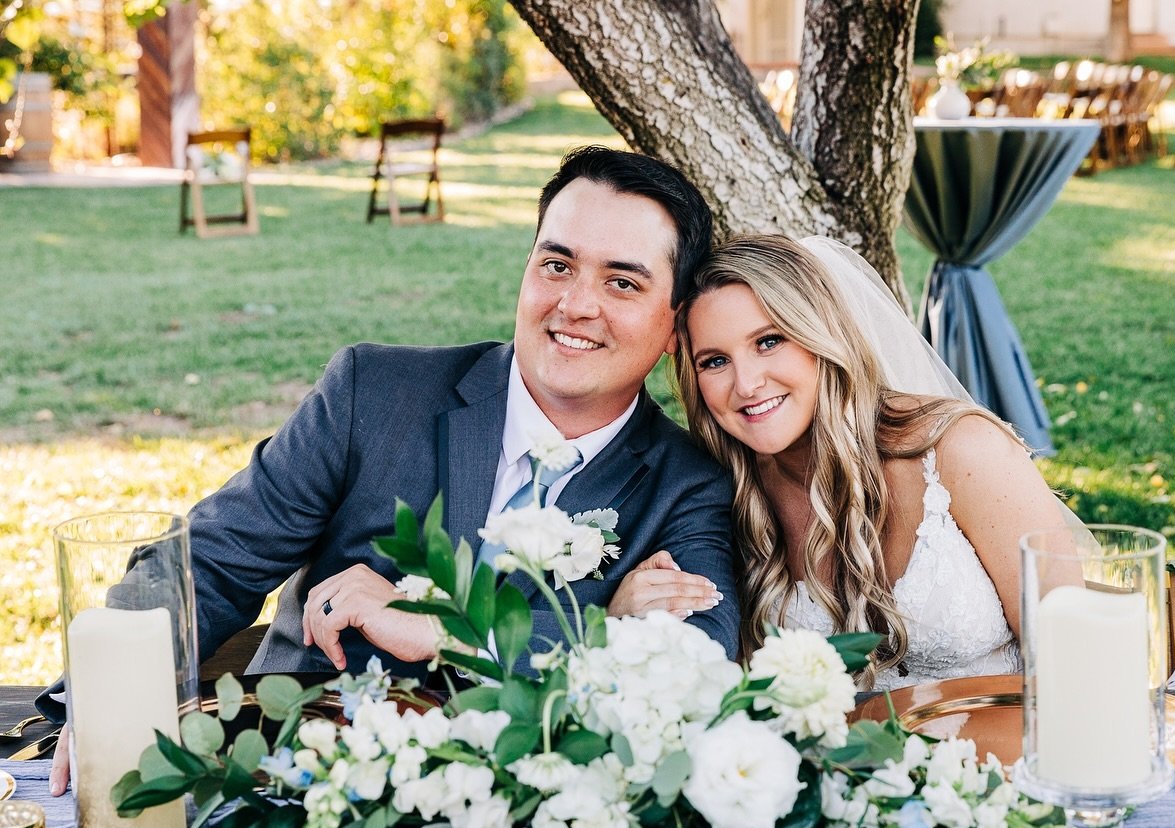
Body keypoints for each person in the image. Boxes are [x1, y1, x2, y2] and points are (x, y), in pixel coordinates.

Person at [46, 145, 738, 792]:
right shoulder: (372, 394)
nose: (576, 304)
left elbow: (697, 661)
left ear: (675, 325)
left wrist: (448, 629)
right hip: (292, 791)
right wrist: (112, 692)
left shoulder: (687, 485)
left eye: (621, 282)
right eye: (556, 265)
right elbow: (209, 564)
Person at [674, 233, 1075, 689]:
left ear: (820, 337)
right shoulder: (717, 490)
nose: (746, 384)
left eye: (768, 341)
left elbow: (1076, 654)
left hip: (1009, 748)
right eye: (714, 361)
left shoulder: (960, 451)